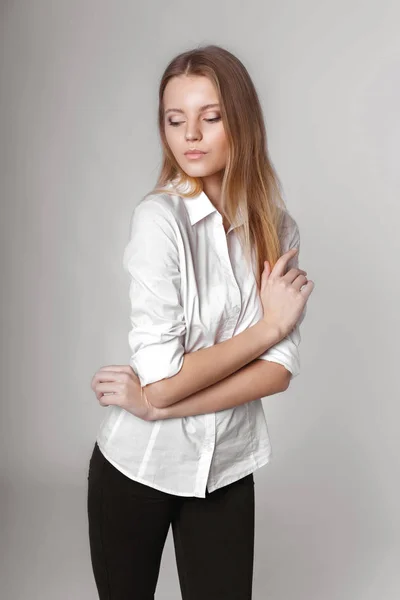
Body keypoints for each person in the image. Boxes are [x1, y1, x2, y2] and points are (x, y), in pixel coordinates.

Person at [87, 44, 314, 599]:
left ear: (241, 122)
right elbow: (164, 379)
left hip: (229, 468)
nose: (190, 135)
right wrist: (265, 330)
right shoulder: (158, 221)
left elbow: (279, 373)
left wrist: (158, 402)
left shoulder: (276, 229)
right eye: (175, 120)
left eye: (210, 118)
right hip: (138, 468)